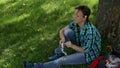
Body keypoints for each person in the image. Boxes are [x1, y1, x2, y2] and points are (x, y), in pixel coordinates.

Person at [23, 5, 101, 68]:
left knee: (61, 61)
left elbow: (85, 51)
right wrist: (63, 38)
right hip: (81, 45)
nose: (74, 17)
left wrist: (71, 45)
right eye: (74, 14)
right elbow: (62, 30)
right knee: (67, 32)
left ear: (84, 18)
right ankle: (59, 53)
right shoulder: (76, 23)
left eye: (77, 16)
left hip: (87, 55)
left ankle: (37, 66)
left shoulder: (91, 32)